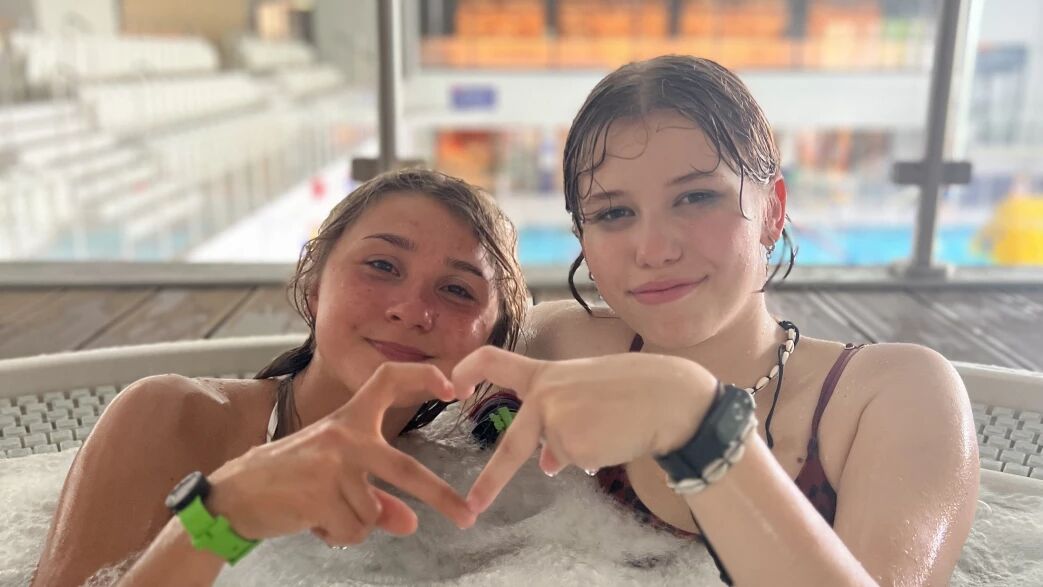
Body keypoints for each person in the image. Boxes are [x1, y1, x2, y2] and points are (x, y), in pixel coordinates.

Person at [459, 55, 979, 586]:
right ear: (582, 238)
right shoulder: (561, 346)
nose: (654, 250)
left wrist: (698, 422)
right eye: (614, 212)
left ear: (773, 211)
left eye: (696, 197)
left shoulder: (891, 397)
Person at [30, 168, 530, 587]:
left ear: (488, 342)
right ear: (315, 287)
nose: (412, 310)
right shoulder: (172, 417)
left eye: (457, 290)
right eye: (382, 265)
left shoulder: (466, 477)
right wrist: (224, 515)